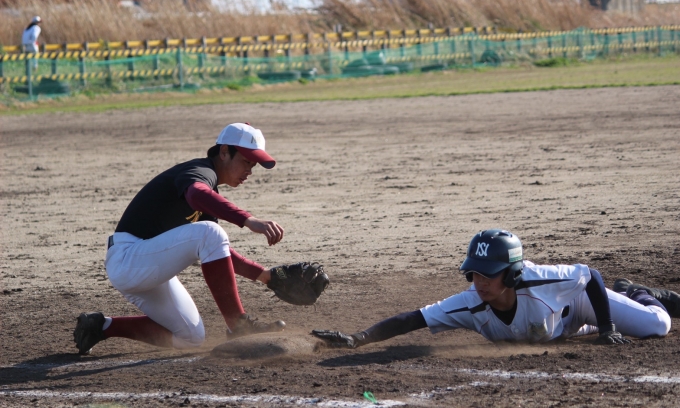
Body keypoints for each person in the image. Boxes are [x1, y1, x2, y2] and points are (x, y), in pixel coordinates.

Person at [74, 123, 288, 355]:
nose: (250, 171)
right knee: (211, 232)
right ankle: (239, 326)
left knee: (190, 337)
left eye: (253, 165)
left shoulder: (209, 190)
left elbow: (219, 253)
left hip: (147, 265)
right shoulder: (200, 171)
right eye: (246, 161)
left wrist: (265, 276)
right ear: (224, 152)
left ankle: (100, 327)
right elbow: (196, 195)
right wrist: (248, 219)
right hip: (128, 258)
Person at [313, 229, 677, 349]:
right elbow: (414, 319)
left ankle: (638, 292)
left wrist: (608, 327)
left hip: (578, 303)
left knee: (657, 325)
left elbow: (591, 275)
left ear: (514, 275)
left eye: (489, 274)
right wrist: (358, 338)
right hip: (560, 326)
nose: (480, 282)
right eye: (474, 273)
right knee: (558, 332)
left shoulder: (542, 279)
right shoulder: (471, 304)